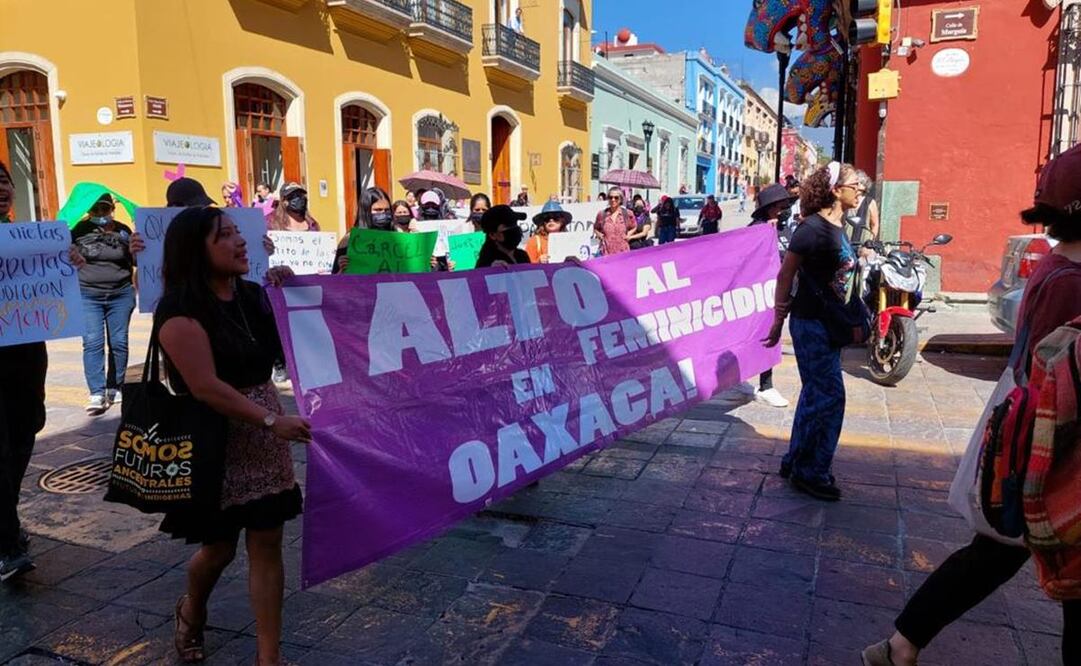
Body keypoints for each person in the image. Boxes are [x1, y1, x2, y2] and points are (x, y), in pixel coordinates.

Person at [861, 145, 1081, 666]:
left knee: (997, 554)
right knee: (1014, 558)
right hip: (1053, 442)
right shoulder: (1070, 281)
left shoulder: (1056, 267)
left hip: (1034, 429)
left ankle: (900, 645)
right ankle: (899, 645)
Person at [152, 206, 309, 665]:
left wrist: (287, 293)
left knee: (267, 542)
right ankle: (192, 607)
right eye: (225, 235)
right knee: (217, 550)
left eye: (238, 232)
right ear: (195, 250)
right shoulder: (179, 311)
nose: (240, 242)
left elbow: (291, 345)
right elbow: (205, 387)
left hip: (264, 441)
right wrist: (268, 421)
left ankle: (269, 656)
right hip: (213, 440)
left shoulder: (254, 296)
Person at [0, 161, 87, 581]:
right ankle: (6, 542)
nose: (2, 190)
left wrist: (68, 260)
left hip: (25, 355)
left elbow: (55, 277)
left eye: (5, 183)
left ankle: (8, 522)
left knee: (24, 432)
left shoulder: (27, 238)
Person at [762, 162, 862, 501]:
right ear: (836, 190)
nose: (860, 189)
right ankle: (811, 472)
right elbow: (785, 277)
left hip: (826, 324)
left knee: (815, 394)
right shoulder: (812, 229)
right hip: (811, 324)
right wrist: (777, 321)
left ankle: (796, 460)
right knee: (830, 398)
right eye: (854, 184)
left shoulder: (837, 226)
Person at [71, 194, 139, 416]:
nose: (100, 214)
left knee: (119, 342)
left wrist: (135, 248)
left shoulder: (123, 231)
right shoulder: (77, 231)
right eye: (95, 210)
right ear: (89, 212)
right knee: (92, 342)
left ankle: (115, 386)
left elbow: (137, 261)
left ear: (112, 208)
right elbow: (62, 258)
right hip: (88, 295)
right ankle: (97, 392)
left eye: (105, 208)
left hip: (120, 294)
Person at [739, 183, 799, 409]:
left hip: (787, 291)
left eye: (787, 206)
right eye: (781, 206)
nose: (785, 210)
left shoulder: (788, 228)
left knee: (772, 336)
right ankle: (766, 385)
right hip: (763, 296)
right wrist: (766, 234)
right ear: (770, 208)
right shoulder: (757, 228)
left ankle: (759, 382)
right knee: (763, 337)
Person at [335, 186, 393, 273]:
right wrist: (341, 269)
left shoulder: (395, 235)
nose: (383, 214)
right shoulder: (349, 240)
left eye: (387, 210)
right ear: (366, 211)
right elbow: (334, 279)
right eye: (378, 210)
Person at [594, 187, 637, 255]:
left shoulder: (627, 214)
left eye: (616, 197)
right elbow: (596, 228)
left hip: (623, 253)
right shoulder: (602, 214)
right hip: (606, 253)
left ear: (620, 199)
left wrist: (629, 235)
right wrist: (600, 235)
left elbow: (634, 226)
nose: (613, 200)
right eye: (610, 197)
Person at [845, 170, 880, 250]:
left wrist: (870, 242)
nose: (855, 187)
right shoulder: (847, 200)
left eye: (858, 183)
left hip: (863, 246)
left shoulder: (870, 202)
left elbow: (875, 225)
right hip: (846, 245)